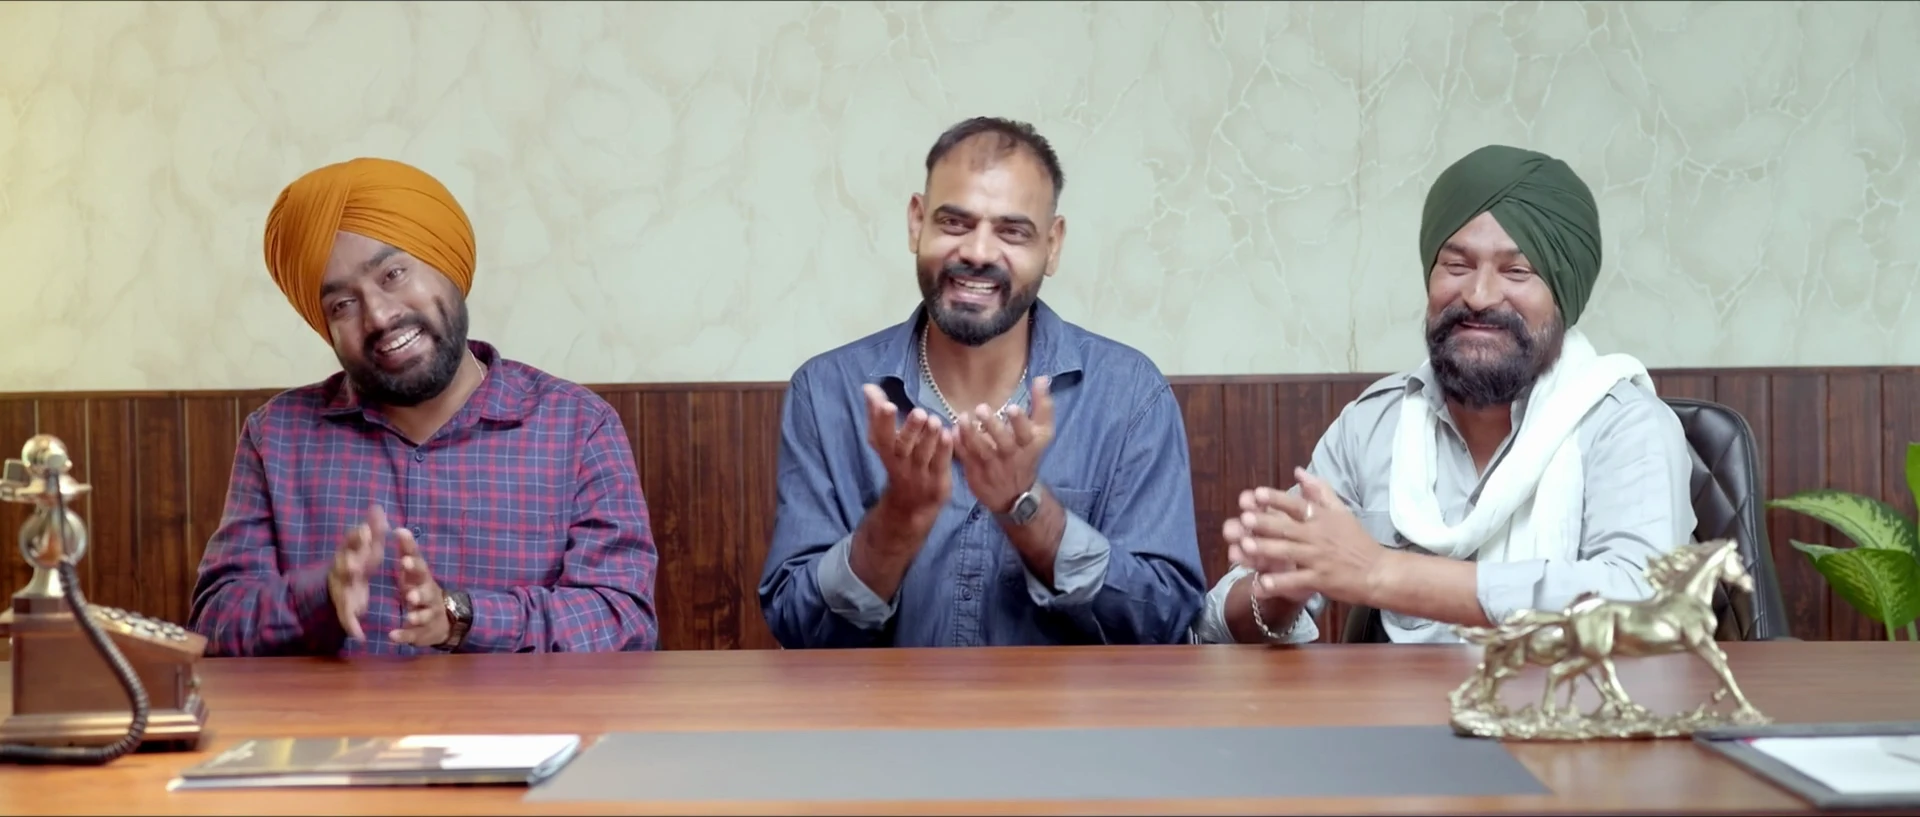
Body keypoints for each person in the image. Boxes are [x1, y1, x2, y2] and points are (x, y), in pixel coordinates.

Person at [1191, 144, 1695, 645]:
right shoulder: (1374, 425)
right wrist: (1280, 588)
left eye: (1517, 272)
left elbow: (1642, 603)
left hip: (1567, 696)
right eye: (1456, 266)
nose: (1479, 295)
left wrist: (1382, 573)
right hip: (1395, 700)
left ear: (1563, 296)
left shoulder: (1627, 428)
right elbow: (1216, 630)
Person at [759, 117, 1207, 648]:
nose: (978, 252)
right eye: (954, 223)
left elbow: (1164, 621)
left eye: (1012, 231)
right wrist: (898, 520)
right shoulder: (826, 393)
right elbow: (796, 627)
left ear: (1053, 245)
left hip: (1069, 708)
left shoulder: (1129, 395)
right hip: (886, 707)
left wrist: (1028, 508)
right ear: (916, 222)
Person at [188, 157, 660, 656]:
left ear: (447, 265)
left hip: (512, 712)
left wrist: (464, 618)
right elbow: (214, 624)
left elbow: (623, 620)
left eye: (393, 274)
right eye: (342, 305)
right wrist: (315, 598)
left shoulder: (577, 427)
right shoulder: (276, 436)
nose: (379, 316)